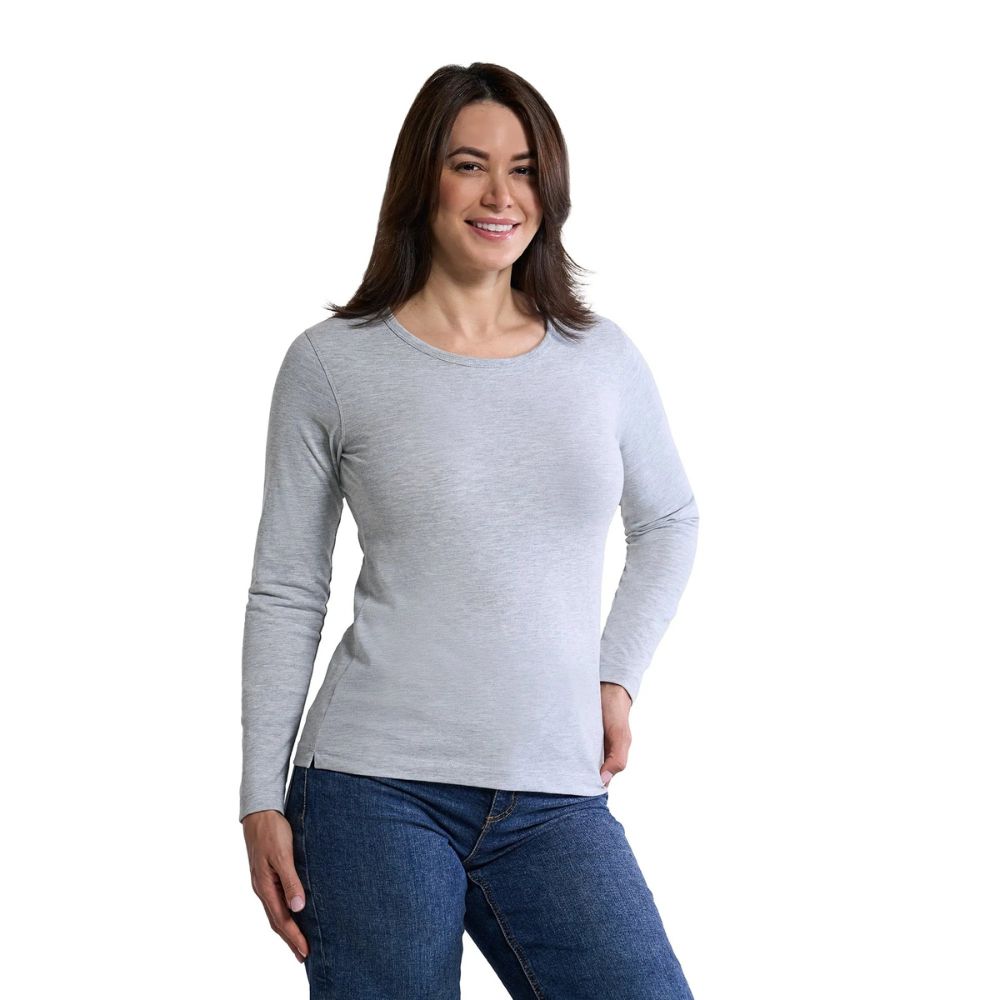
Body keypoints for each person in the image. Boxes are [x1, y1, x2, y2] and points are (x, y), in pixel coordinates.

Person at [240, 61, 700, 999]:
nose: (501, 195)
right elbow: (288, 587)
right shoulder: (332, 364)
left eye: (524, 170)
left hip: (555, 790)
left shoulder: (601, 359)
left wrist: (615, 676)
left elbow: (669, 521)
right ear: (423, 179)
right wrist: (259, 795)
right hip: (371, 787)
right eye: (469, 165)